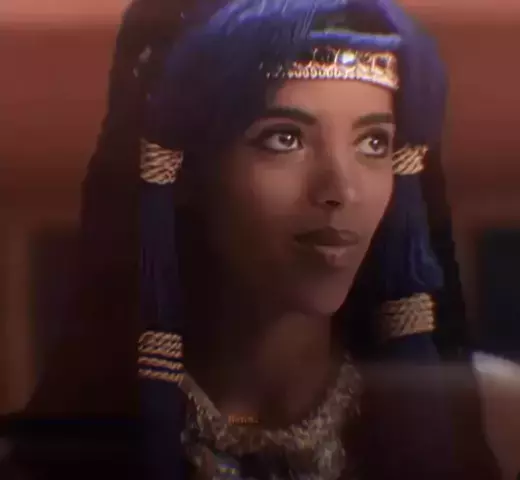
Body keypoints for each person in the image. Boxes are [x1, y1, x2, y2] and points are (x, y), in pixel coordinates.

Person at [6, 0, 499, 479]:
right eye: (285, 139)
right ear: (185, 171)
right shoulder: (68, 453)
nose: (340, 190)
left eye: (373, 143)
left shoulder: (497, 419)